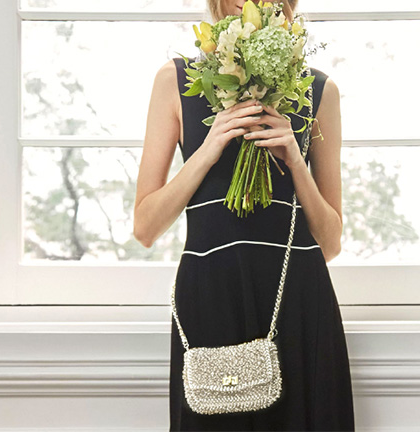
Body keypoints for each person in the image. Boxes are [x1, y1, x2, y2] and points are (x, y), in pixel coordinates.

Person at [133, 0, 355, 430]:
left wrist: (294, 159)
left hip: (298, 301)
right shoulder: (174, 80)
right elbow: (145, 227)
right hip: (211, 295)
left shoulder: (319, 90)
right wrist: (208, 149)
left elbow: (330, 243)